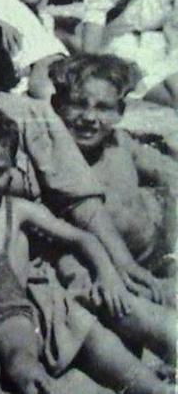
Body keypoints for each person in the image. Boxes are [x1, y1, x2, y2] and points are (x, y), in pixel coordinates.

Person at [0, 4, 170, 387]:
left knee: (126, 305)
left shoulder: (26, 113)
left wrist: (122, 265)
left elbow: (80, 202)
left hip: (41, 260)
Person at [0, 108, 176, 394]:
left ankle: (40, 383)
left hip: (10, 313)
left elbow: (81, 238)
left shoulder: (20, 210)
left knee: (21, 360)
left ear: (13, 168)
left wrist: (107, 274)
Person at [50, 54, 178, 281]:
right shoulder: (51, 161)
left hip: (159, 246)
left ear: (119, 112)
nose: (89, 117)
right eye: (78, 104)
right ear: (57, 104)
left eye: (103, 108)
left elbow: (166, 171)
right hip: (105, 266)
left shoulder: (118, 142)